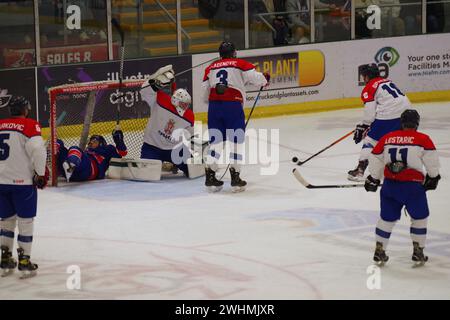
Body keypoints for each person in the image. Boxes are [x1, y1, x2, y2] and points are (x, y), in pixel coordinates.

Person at [364, 109, 440, 267]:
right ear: (417, 123)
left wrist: (374, 177)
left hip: (390, 187)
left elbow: (375, 156)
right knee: (419, 218)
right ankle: (418, 250)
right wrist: (433, 176)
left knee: (386, 219)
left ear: (401, 122)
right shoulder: (423, 139)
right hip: (412, 188)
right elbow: (431, 159)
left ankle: (380, 250)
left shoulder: (387, 138)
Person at [201, 41, 270, 192]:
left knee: (216, 142)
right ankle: (235, 177)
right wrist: (265, 79)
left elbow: (204, 91)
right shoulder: (240, 63)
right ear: (234, 52)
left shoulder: (210, 68)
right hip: (232, 106)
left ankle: (210, 176)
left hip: (214, 107)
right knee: (236, 141)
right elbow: (256, 78)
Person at [0, 96, 47, 278]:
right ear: (25, 110)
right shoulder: (29, 125)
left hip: (1, 182)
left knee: (6, 220)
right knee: (25, 221)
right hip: (22, 183)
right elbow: (38, 149)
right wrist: (40, 174)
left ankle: (5, 258)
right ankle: (25, 260)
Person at [348, 63, 411, 181]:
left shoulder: (369, 86)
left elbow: (370, 113)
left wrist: (364, 126)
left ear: (367, 76)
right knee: (398, 140)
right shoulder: (386, 81)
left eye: (364, 76)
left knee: (370, 140)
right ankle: (403, 166)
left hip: (390, 115)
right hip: (407, 114)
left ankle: (360, 170)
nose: (363, 78)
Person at [140, 65, 195, 177]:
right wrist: (157, 81)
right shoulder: (160, 100)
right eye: (183, 104)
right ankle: (165, 164)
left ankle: (174, 163)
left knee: (194, 170)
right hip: (152, 147)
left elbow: (191, 135)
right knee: (147, 175)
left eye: (187, 105)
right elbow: (144, 91)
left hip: (174, 150)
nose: (185, 107)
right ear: (175, 100)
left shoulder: (188, 115)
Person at [57, 130, 127, 182]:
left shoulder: (108, 149)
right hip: (74, 175)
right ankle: (60, 169)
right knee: (58, 144)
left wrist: (119, 141)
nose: (91, 142)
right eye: (90, 141)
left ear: (101, 143)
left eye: (94, 141)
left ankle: (70, 166)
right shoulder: (87, 152)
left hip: (89, 170)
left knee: (74, 148)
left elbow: (122, 153)